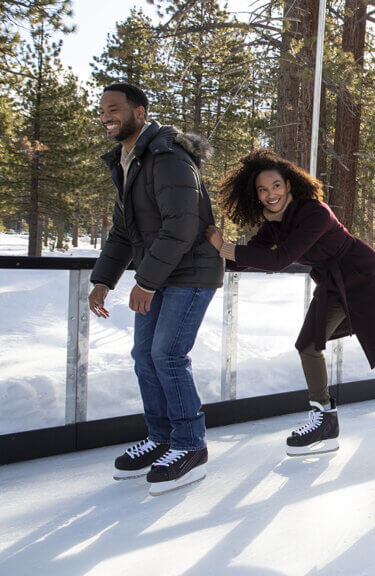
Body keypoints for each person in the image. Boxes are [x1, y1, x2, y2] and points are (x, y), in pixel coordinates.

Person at [206, 149, 375, 462]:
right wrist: (213, 253)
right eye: (263, 190)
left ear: (289, 184)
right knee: (307, 344)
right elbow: (250, 257)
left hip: (364, 276)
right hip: (334, 284)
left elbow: (278, 259)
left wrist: (225, 247)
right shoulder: (273, 225)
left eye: (276, 186)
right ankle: (325, 419)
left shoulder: (313, 212)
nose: (271, 195)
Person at [90, 83, 222, 496]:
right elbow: (122, 232)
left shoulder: (166, 154)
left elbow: (182, 223)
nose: (106, 116)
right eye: (102, 110)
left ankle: (190, 445)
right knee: (144, 355)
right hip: (162, 272)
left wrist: (145, 280)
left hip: (190, 272)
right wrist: (102, 280)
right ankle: (161, 436)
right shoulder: (129, 161)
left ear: (140, 112)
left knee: (167, 354)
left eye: (114, 108)